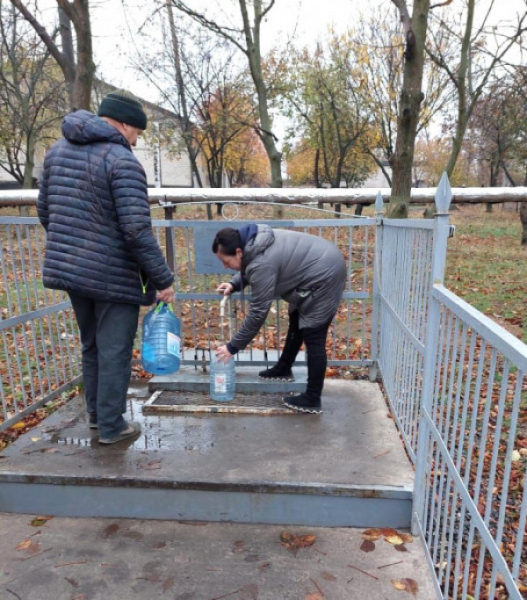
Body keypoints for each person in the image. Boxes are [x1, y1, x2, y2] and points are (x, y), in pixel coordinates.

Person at [37, 89, 174, 444]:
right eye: (137, 133)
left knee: (92, 347)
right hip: (113, 276)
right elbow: (136, 230)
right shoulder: (121, 161)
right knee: (113, 351)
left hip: (71, 271)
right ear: (125, 124)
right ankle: (113, 427)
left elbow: (45, 212)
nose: (136, 141)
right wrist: (163, 279)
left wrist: (74, 248)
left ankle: (98, 417)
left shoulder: (57, 152)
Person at [212, 224, 346, 414]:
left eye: (226, 261)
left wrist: (232, 347)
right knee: (296, 318)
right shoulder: (253, 241)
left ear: (238, 251)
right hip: (319, 262)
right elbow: (251, 265)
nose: (225, 266)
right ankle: (284, 368)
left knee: (314, 334)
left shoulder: (261, 263)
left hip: (325, 272)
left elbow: (258, 312)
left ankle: (312, 398)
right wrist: (234, 283)